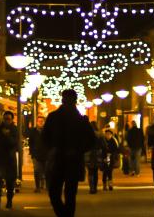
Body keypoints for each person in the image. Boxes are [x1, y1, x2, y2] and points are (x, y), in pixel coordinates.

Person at [42, 89, 96, 217]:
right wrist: (79, 150)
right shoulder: (80, 119)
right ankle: (66, 215)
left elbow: (44, 137)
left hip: (60, 159)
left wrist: (52, 149)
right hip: (71, 160)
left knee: (55, 192)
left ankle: (63, 214)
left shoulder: (54, 117)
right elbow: (91, 140)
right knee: (69, 194)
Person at [27, 115, 48, 192]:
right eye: (39, 121)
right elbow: (30, 143)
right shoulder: (33, 131)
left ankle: (46, 185)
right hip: (36, 154)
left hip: (46, 154)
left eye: (42, 121)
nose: (40, 123)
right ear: (37, 122)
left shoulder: (47, 131)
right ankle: (37, 186)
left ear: (44, 122)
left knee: (46, 170)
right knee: (37, 170)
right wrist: (32, 152)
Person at [85, 121, 107, 194]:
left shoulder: (86, 134)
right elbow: (104, 146)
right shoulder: (100, 134)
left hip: (88, 154)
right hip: (98, 154)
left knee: (90, 171)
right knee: (95, 171)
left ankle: (91, 188)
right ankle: (95, 187)